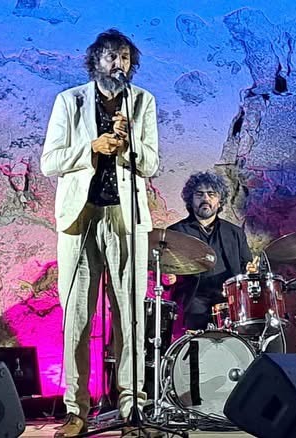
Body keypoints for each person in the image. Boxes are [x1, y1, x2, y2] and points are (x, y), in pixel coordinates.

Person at [41, 29, 159, 437]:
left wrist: (128, 145)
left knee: (131, 317)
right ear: (95, 61)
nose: (118, 63)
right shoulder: (69, 100)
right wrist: (91, 147)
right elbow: (49, 162)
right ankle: (77, 409)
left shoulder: (142, 102)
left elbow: (151, 164)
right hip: (80, 218)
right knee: (76, 316)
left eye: (124, 57)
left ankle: (132, 407)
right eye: (110, 56)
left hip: (126, 219)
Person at [167, 171, 254, 331]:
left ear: (220, 201)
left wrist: (251, 270)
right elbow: (165, 271)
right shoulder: (175, 232)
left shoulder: (235, 233)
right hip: (192, 303)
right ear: (190, 200)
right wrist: (168, 278)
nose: (205, 199)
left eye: (211, 194)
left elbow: (246, 266)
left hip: (230, 303)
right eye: (199, 194)